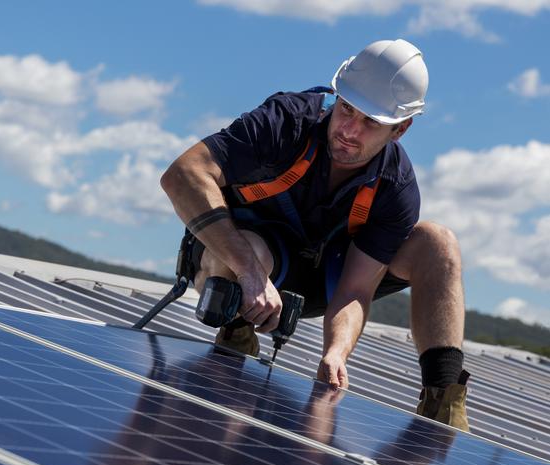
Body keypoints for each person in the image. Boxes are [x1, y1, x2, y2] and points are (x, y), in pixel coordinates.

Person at [160, 39, 470, 431]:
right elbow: (182, 174)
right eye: (346, 110)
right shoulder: (286, 121)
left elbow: (356, 290)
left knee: (438, 243)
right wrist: (251, 273)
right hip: (243, 263)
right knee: (251, 252)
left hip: (324, 280)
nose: (349, 131)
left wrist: (337, 353)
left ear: (400, 129)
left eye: (370, 122)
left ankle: (443, 408)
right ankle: (236, 333)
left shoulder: (395, 187)